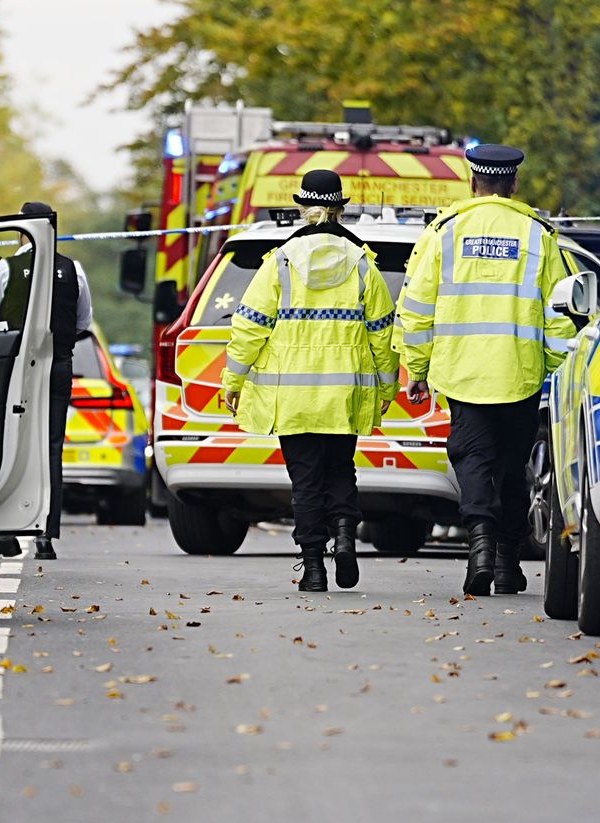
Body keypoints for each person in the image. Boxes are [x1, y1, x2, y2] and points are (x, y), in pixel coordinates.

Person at [398, 144, 576, 596]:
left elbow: (417, 309)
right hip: (519, 375)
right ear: (513, 184)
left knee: (473, 460)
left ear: (472, 181)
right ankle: (505, 564)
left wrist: (417, 367)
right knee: (512, 469)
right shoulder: (539, 234)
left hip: (463, 373)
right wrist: (554, 368)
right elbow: (560, 312)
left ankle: (479, 546)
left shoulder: (444, 232)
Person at [222, 170, 400, 592]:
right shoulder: (362, 264)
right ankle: (344, 537)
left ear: (302, 207)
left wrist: (233, 381)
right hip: (344, 395)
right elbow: (383, 332)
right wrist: (387, 387)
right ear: (341, 208)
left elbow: (250, 327)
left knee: (305, 482)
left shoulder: (279, 263)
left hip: (292, 397)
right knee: (340, 470)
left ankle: (314, 567)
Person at [0, 201, 93, 561]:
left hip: (16, 370)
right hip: (58, 364)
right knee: (51, 448)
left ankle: (7, 533)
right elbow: (83, 323)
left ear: (21, 230)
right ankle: (45, 536)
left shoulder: (7, 268)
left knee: (11, 444)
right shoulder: (73, 269)